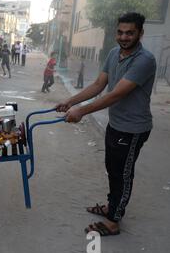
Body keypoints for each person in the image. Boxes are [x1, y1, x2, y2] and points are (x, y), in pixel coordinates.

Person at [56, 13, 156, 236]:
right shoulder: (113, 53)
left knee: (123, 174)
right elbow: (99, 84)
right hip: (116, 124)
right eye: (120, 32)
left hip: (133, 129)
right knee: (113, 170)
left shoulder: (144, 60)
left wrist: (81, 111)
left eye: (130, 32)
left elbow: (115, 95)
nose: (124, 37)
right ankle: (113, 207)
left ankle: (113, 221)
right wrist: (70, 101)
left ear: (140, 33)